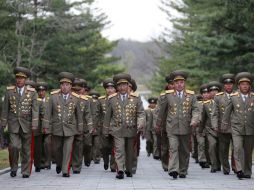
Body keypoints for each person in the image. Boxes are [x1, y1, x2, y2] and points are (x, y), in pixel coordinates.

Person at [156, 70, 199, 179]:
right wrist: (158, 124)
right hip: (171, 127)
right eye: (177, 83)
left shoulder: (191, 95)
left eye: (181, 82)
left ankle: (183, 170)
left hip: (186, 126)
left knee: (184, 150)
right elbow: (162, 111)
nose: (179, 85)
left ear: (184, 83)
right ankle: (173, 169)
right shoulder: (168, 95)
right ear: (173, 84)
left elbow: (196, 110)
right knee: (173, 148)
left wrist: (194, 120)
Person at [103, 73, 145, 179]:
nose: (122, 87)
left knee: (130, 151)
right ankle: (120, 170)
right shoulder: (112, 99)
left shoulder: (136, 98)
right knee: (119, 150)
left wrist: (141, 122)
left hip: (131, 129)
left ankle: (129, 169)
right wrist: (105, 130)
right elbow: (108, 116)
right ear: (117, 87)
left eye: (124, 85)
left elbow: (141, 113)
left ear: (128, 85)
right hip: (116, 129)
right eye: (120, 85)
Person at [43, 72, 83, 177]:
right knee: (57, 149)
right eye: (62, 84)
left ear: (70, 86)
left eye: (67, 85)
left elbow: (79, 115)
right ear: (60, 86)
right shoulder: (53, 97)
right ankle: (59, 164)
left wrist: (80, 127)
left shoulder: (76, 98)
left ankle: (65, 170)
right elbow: (48, 113)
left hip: (70, 128)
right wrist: (46, 126)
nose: (64, 87)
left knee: (68, 148)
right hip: (57, 128)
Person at [1, 66, 38, 178]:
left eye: (21, 78)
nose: (19, 80)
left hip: (26, 124)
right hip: (13, 124)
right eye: (17, 77)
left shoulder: (32, 92)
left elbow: (35, 110)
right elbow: (5, 108)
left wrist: (34, 123)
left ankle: (25, 171)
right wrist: (3, 122)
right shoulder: (9, 91)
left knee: (26, 149)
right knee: (14, 147)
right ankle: (13, 167)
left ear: (25, 79)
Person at [222, 72, 254, 179]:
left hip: (250, 128)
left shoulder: (253, 97)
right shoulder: (233, 97)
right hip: (236, 128)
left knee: (248, 151)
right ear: (239, 86)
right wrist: (224, 124)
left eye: (247, 84)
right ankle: (239, 170)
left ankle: (248, 171)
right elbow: (227, 111)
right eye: (242, 84)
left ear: (249, 86)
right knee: (237, 148)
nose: (245, 86)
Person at [99, 78, 117, 172]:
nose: (109, 90)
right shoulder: (101, 100)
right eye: (108, 88)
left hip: (115, 127)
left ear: (115, 89)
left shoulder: (118, 100)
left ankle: (113, 165)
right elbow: (97, 114)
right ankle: (106, 160)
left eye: (112, 88)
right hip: (104, 128)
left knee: (115, 147)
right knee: (104, 147)